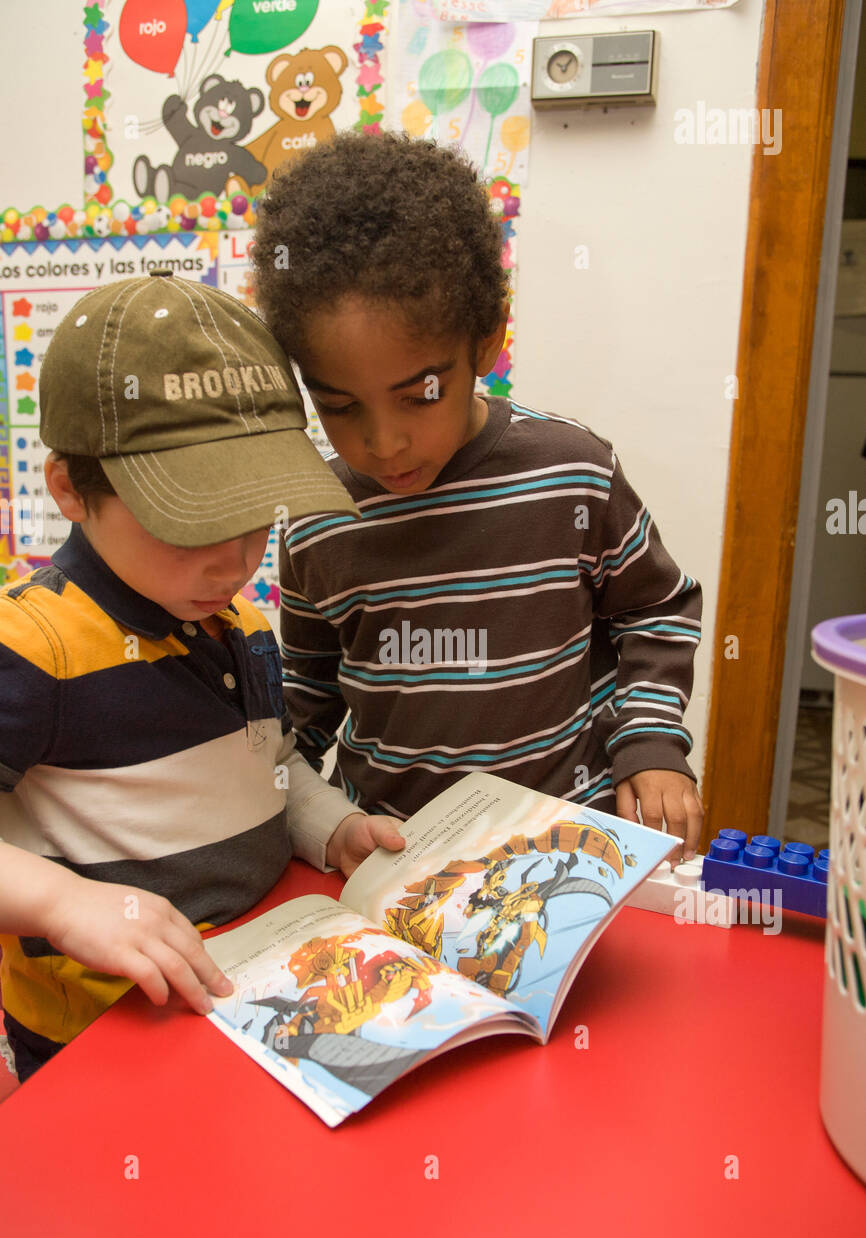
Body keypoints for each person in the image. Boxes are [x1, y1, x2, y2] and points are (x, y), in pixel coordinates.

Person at [251, 132, 704, 858]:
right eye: (339, 406)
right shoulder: (314, 519)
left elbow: (657, 606)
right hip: (395, 864)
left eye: (418, 396)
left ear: (485, 344)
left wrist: (649, 741)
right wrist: (292, 809)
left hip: (564, 848)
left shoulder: (572, 473)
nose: (385, 442)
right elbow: (307, 694)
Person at [0, 271, 404, 1082]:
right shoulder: (33, 645)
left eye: (255, 515)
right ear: (72, 489)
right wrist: (63, 903)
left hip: (256, 985)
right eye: (191, 522)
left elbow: (270, 764)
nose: (235, 559)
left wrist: (329, 824)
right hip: (106, 1040)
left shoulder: (242, 624)